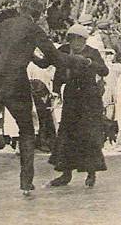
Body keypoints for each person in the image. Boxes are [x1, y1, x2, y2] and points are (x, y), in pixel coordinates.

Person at [0, 0, 93, 197]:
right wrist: (79, 61)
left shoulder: (5, 25)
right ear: (38, 14)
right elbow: (55, 59)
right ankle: (26, 182)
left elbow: (11, 51)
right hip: (14, 84)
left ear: (20, 8)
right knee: (26, 132)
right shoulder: (34, 29)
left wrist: (33, 57)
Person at [39, 24, 109, 188]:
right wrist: (55, 91)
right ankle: (66, 174)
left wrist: (90, 63)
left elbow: (104, 71)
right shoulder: (64, 50)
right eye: (71, 39)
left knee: (89, 134)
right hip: (71, 97)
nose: (75, 43)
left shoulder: (92, 52)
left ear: (84, 39)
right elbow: (58, 70)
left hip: (89, 98)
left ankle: (91, 173)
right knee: (67, 134)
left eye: (78, 39)